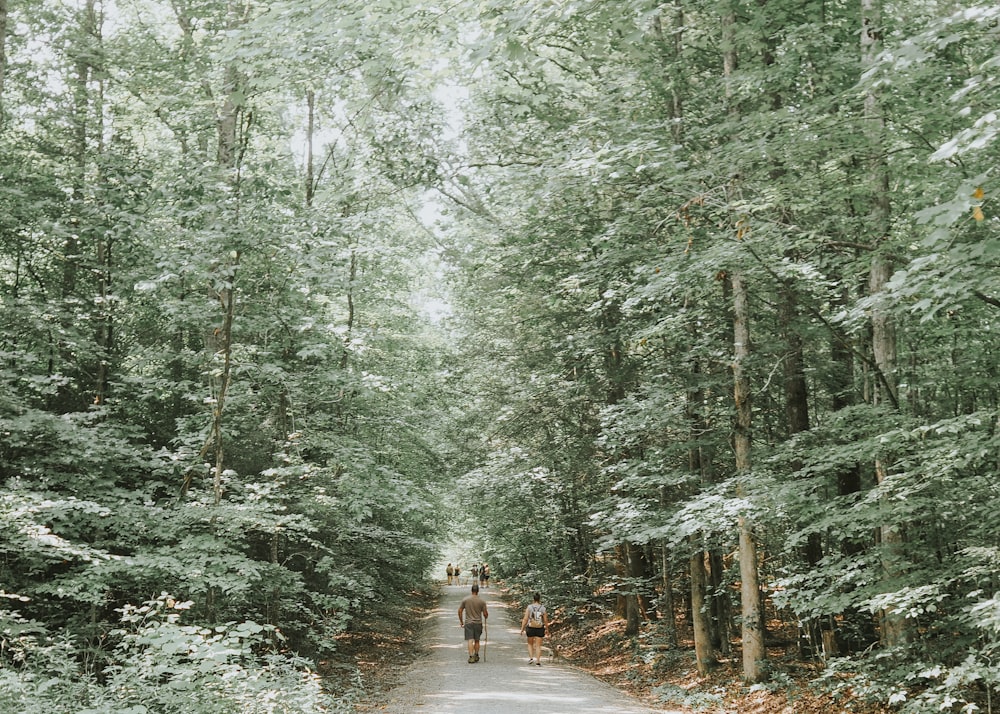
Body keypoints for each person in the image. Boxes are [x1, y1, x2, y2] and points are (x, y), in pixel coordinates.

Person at [458, 583, 489, 664]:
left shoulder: (465, 600)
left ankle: (471, 656)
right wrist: (485, 616)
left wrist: (461, 621)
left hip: (468, 623)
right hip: (478, 623)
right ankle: (476, 654)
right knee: (477, 640)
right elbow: (485, 614)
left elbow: (460, 610)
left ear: (471, 590)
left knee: (470, 640)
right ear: (478, 591)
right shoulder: (482, 601)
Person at [520, 592, 549, 666]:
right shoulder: (543, 608)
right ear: (540, 599)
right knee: (538, 645)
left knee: (530, 643)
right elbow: (545, 620)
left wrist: (522, 628)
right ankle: (538, 661)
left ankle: (531, 658)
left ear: (533, 599)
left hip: (530, 627)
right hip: (539, 627)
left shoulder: (529, 607)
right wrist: (547, 629)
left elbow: (525, 618)